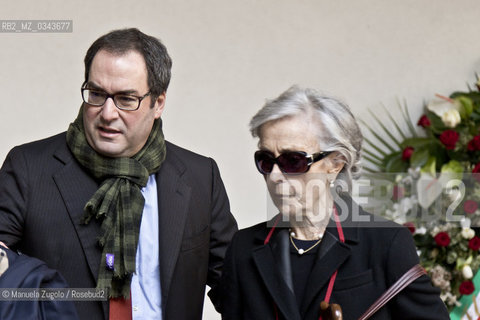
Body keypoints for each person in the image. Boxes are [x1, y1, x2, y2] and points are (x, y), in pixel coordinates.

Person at [0, 28, 238, 320]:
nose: (107, 113)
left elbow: (238, 292)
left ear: (158, 103)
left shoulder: (201, 177)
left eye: (126, 99)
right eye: (97, 94)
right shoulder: (28, 167)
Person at [219, 86, 449, 319]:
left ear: (335, 164)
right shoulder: (243, 248)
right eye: (266, 161)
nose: (275, 176)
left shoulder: (387, 242)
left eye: (293, 161)